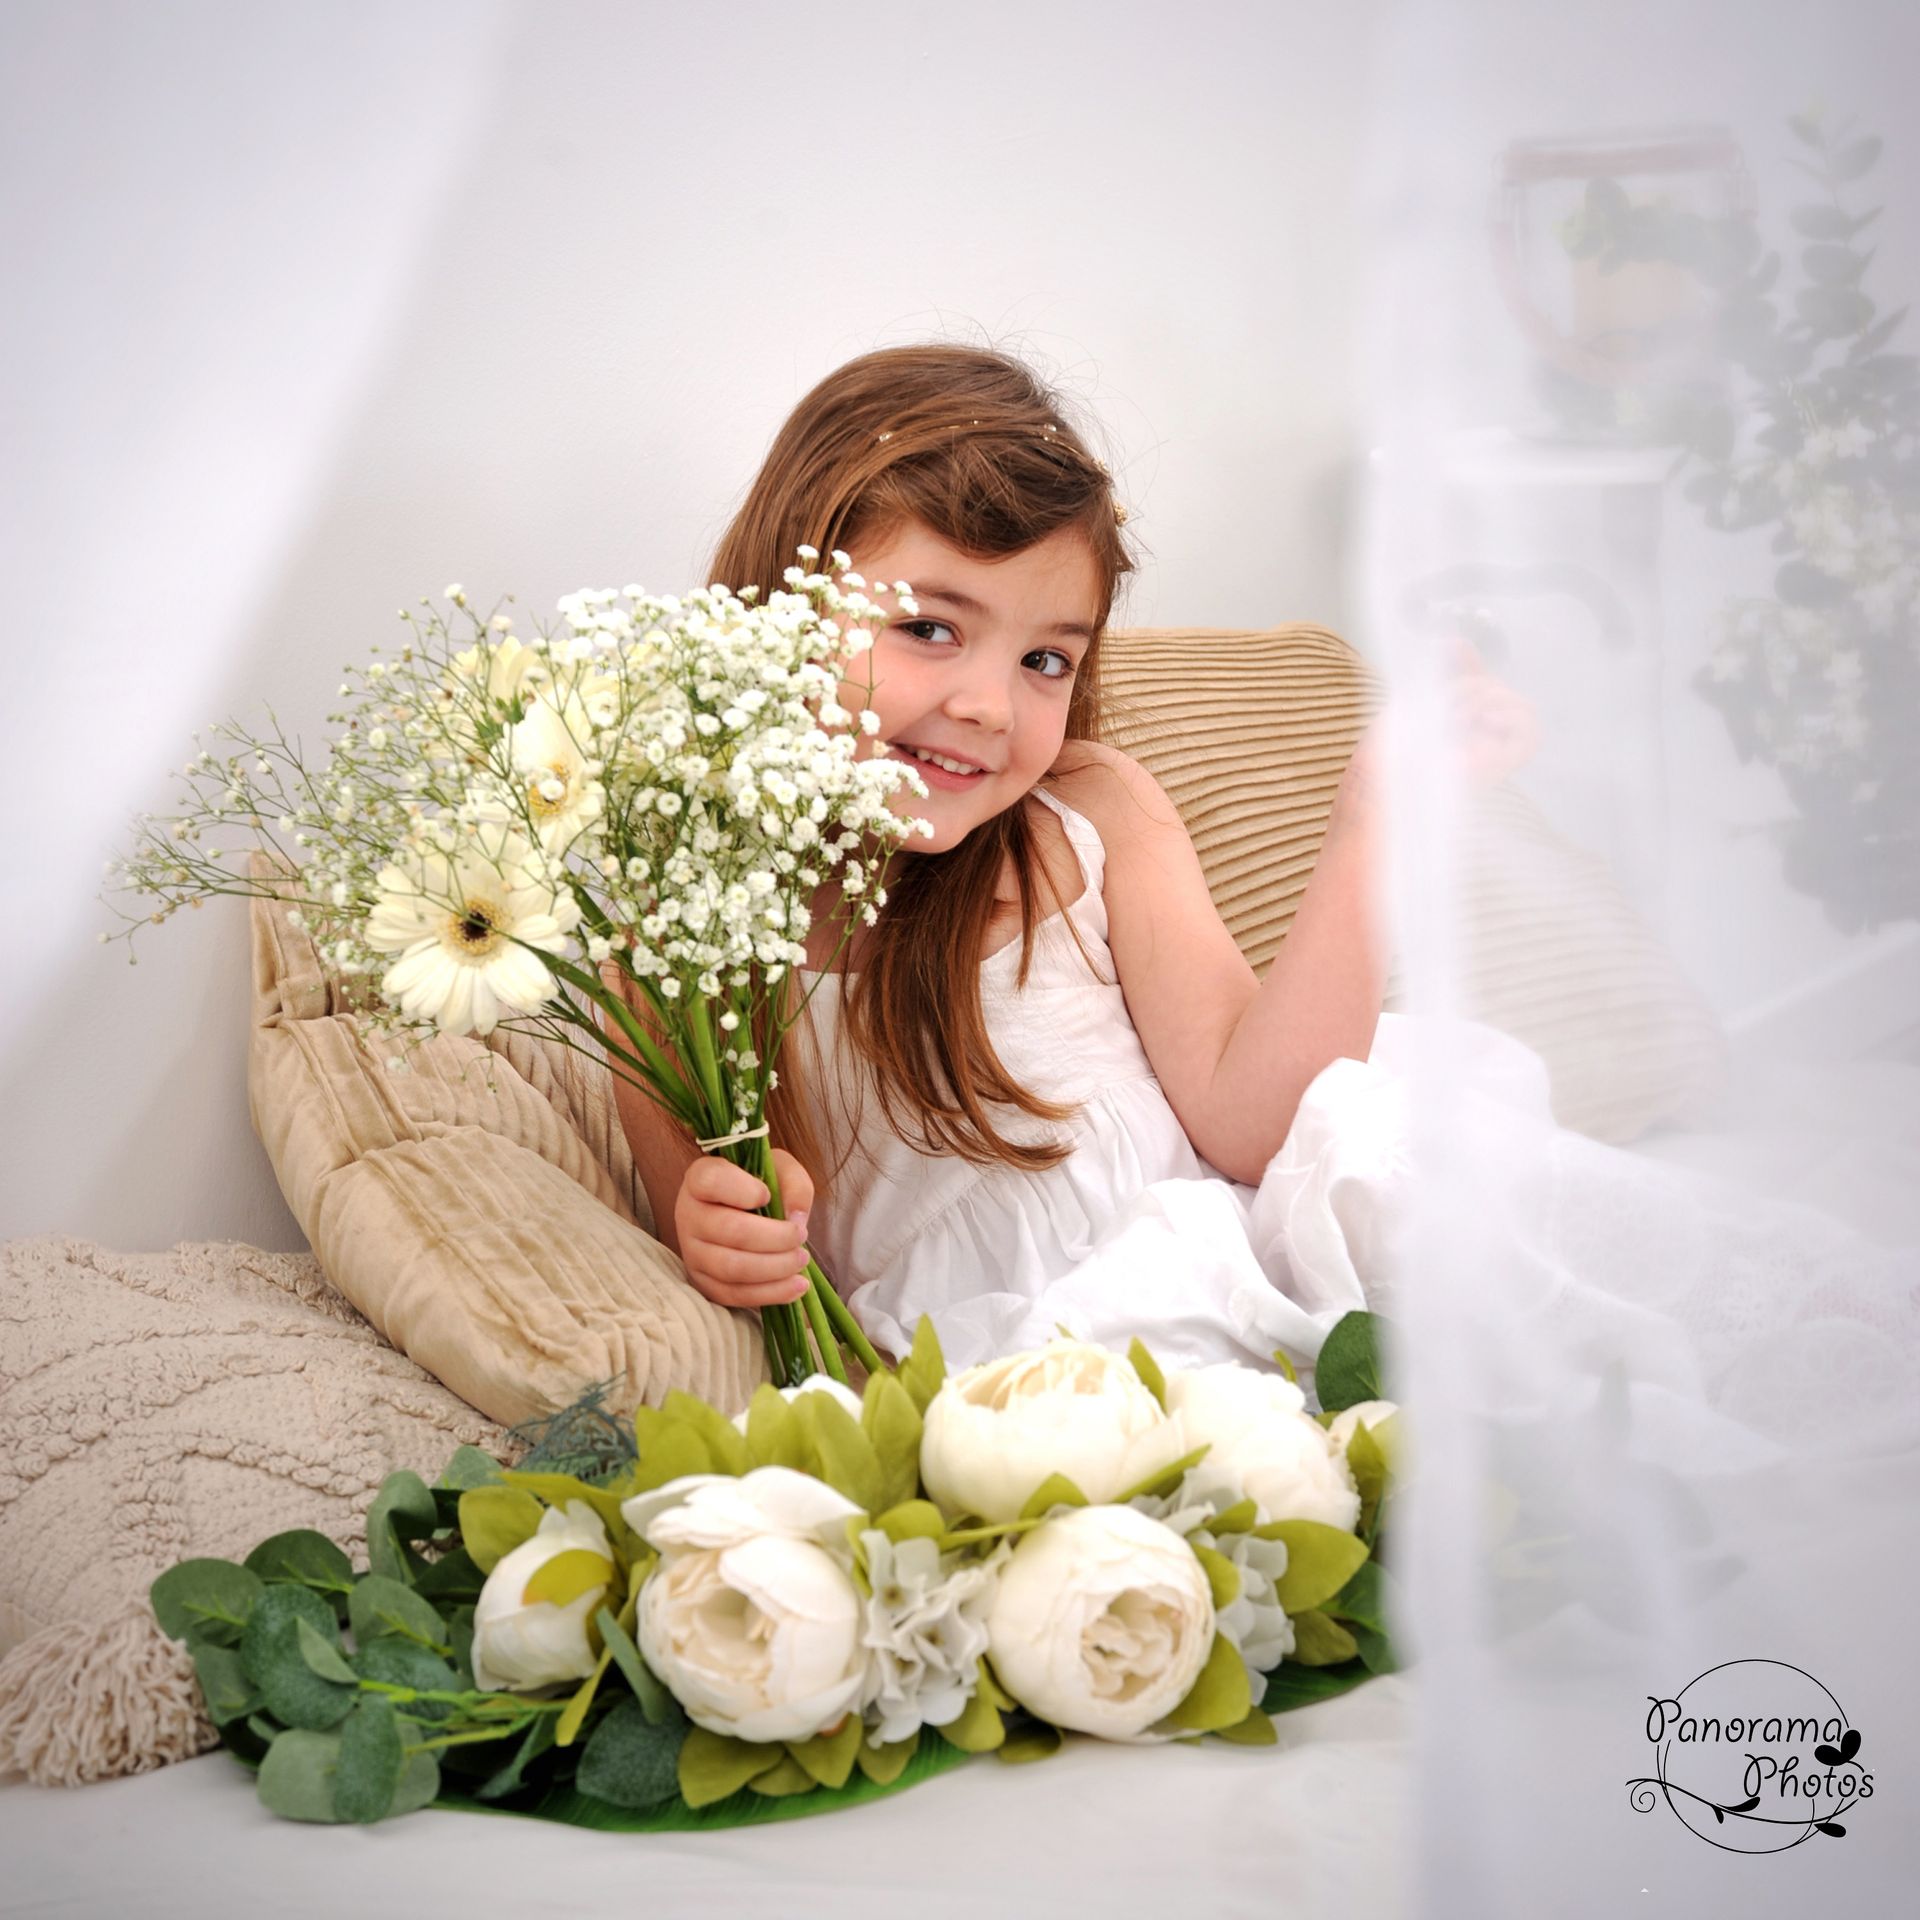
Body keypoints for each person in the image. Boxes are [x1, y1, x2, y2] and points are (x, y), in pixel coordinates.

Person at [606, 340, 1539, 1379]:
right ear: (780, 612)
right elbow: (709, 1215)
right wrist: (715, 1231)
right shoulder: (678, 943)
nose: (989, 706)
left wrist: (1376, 823)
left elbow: (1259, 1126)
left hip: (1208, 1297)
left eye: (1045, 659)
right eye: (928, 627)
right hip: (988, 1377)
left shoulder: (1087, 819)